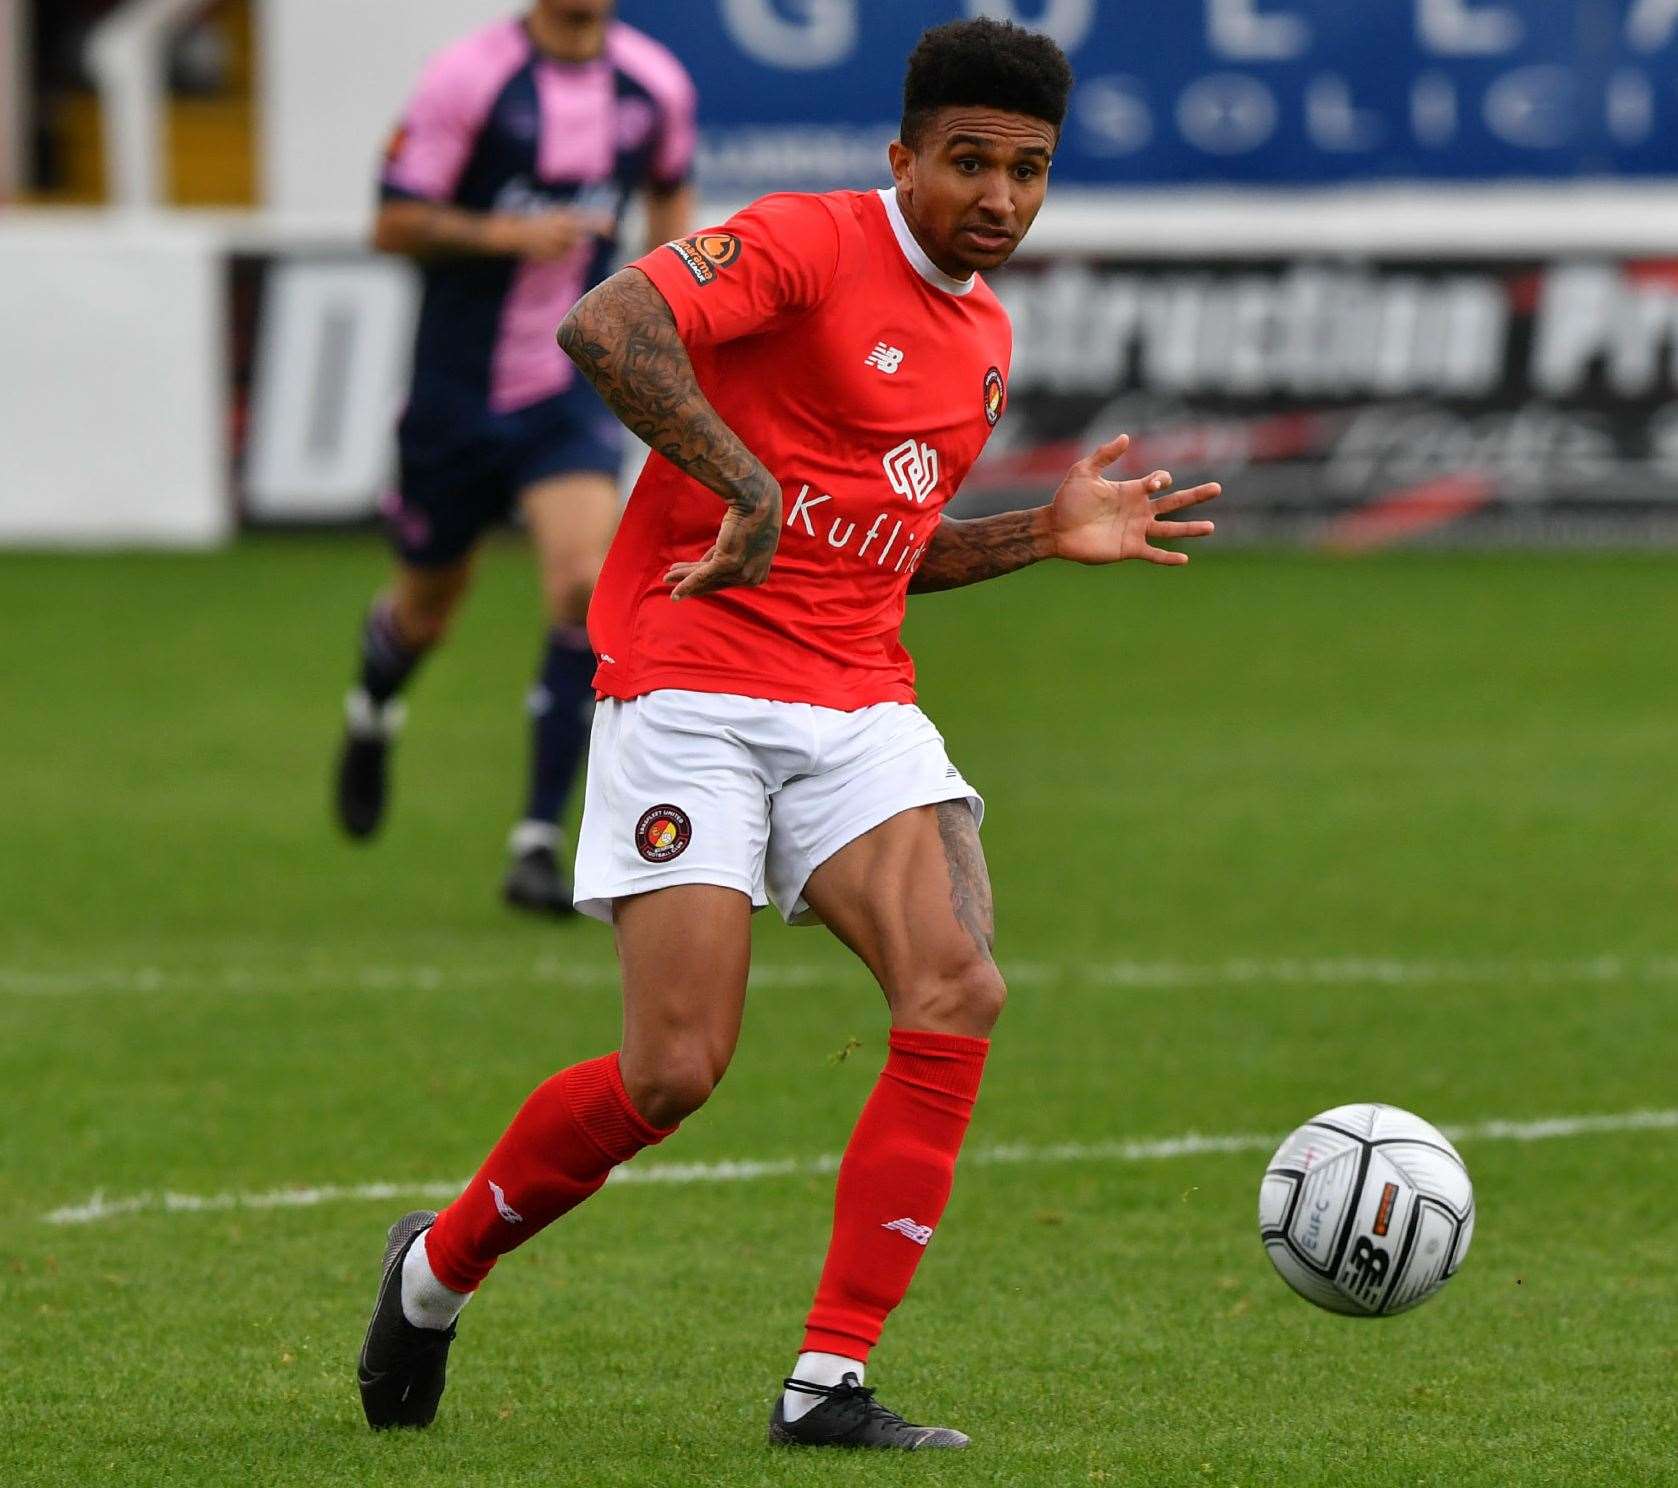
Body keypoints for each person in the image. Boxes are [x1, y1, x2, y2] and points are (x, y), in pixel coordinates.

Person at [356, 17, 1218, 1449]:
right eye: (966, 164)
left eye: (1027, 171)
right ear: (902, 157)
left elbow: (878, 554)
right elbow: (607, 325)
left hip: (854, 699)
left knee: (958, 984)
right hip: (688, 679)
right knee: (671, 1074)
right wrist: (738, 483)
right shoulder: (807, 241)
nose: (997, 198)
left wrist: (1037, 533)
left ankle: (827, 1384)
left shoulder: (983, 341)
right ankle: (434, 1271)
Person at [332, 0, 695, 915]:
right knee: (425, 610)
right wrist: (503, 234)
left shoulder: (654, 84)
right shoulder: (470, 76)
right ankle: (373, 708)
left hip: (568, 391)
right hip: (454, 396)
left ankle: (537, 838)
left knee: (585, 588)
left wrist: (677, 313)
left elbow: (671, 210)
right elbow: (392, 222)